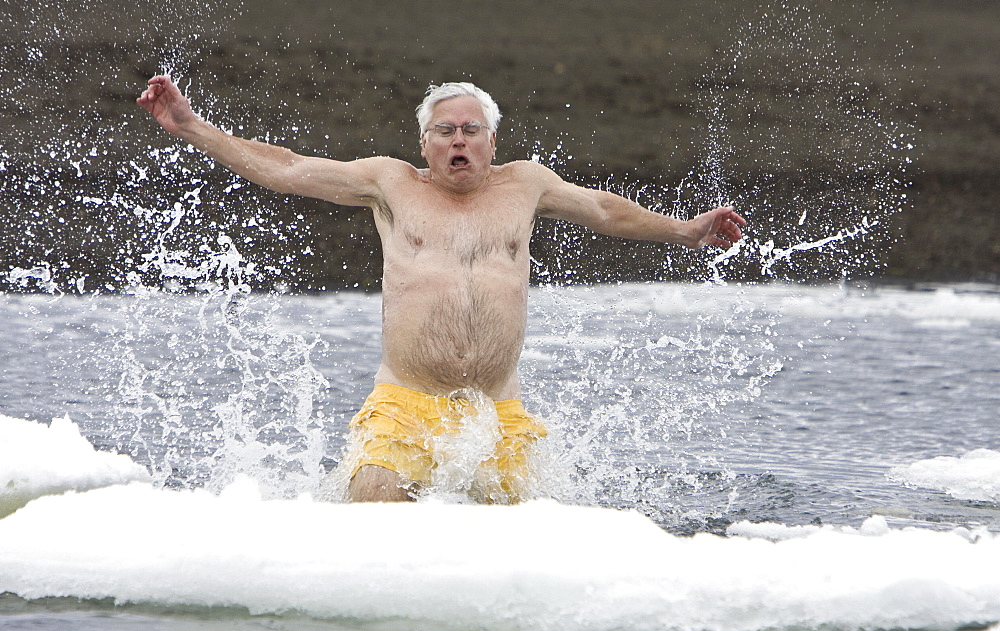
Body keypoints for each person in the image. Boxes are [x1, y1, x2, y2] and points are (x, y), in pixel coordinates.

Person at [137, 75, 744, 504]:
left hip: (496, 412)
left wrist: (687, 232)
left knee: (531, 527)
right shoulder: (389, 183)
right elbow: (287, 169)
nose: (459, 140)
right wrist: (190, 125)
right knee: (373, 501)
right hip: (406, 403)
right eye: (445, 131)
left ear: (492, 142)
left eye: (471, 130)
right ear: (423, 143)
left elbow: (605, 212)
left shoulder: (525, 184)